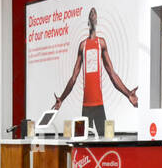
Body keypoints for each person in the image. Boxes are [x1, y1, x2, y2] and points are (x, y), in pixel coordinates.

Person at [53, 7, 137, 135]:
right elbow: (73, 77)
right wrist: (62, 99)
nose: (93, 14)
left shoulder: (101, 43)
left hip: (98, 104)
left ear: (96, 21)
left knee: (104, 143)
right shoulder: (82, 45)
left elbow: (112, 74)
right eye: (91, 13)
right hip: (86, 106)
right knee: (83, 144)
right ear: (88, 21)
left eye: (95, 14)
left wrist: (128, 94)